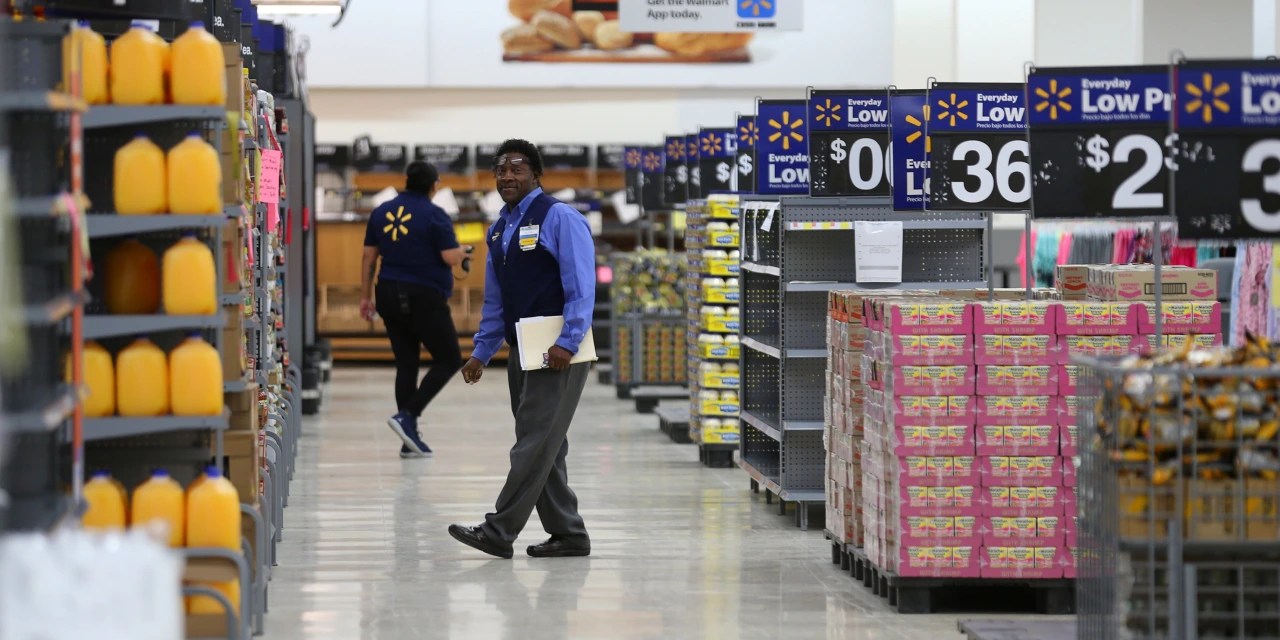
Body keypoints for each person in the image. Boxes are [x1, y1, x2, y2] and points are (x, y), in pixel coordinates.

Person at [448, 139, 596, 559]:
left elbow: (581, 287)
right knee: (544, 441)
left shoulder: (560, 218)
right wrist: (481, 351)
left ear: (535, 174)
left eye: (516, 168)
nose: (507, 176)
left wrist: (568, 341)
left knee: (534, 440)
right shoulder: (499, 228)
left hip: (557, 351)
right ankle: (568, 532)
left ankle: (499, 529)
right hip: (522, 349)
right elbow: (496, 300)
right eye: (500, 169)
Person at [360, 161, 467, 458]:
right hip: (423, 296)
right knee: (449, 358)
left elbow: (369, 257)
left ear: (407, 181)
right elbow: (448, 256)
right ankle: (408, 416)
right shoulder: (435, 215)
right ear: (434, 185)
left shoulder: (381, 212)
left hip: (388, 293)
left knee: (406, 363)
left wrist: (365, 297)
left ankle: (407, 438)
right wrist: (461, 253)